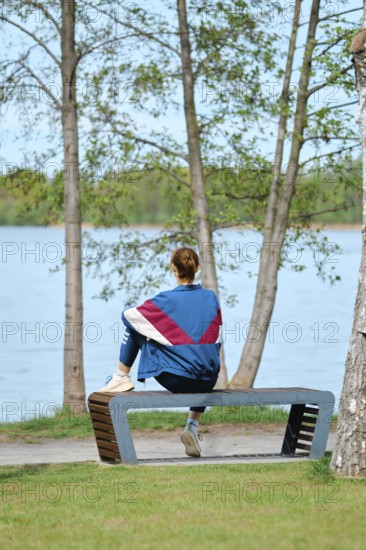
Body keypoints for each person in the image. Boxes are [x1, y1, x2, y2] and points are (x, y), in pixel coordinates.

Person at [99, 247, 222, 458]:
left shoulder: (165, 300)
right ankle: (192, 426)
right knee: (198, 358)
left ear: (173, 268)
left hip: (177, 380)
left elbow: (127, 315)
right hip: (208, 380)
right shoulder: (211, 298)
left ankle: (120, 376)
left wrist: (156, 332)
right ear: (198, 268)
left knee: (136, 324)